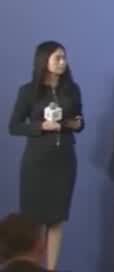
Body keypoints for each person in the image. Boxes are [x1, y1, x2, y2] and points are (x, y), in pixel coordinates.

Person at [8, 41, 84, 271]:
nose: (63, 62)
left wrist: (75, 123)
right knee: (35, 221)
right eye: (57, 58)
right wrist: (41, 126)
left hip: (64, 161)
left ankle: (51, 268)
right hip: (37, 163)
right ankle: (33, 267)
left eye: (64, 58)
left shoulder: (72, 89)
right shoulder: (28, 91)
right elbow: (14, 126)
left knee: (57, 220)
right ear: (44, 60)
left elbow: (80, 120)